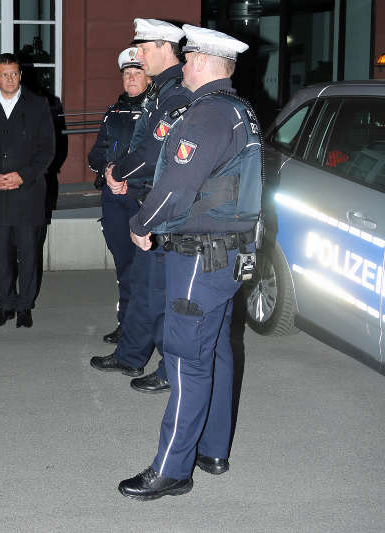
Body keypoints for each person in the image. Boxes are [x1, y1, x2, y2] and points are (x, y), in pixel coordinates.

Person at [118, 25, 260, 500]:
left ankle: (172, 469)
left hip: (201, 254)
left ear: (201, 61)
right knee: (216, 349)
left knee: (185, 362)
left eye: (189, 54)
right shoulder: (240, 111)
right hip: (226, 253)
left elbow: (176, 184)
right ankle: (212, 449)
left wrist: (142, 223)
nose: (185, 61)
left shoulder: (207, 116)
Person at [89, 19, 192, 394]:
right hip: (148, 200)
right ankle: (131, 354)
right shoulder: (161, 90)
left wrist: (119, 171)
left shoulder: (176, 93)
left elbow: (155, 151)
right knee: (145, 286)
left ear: (165, 47)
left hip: (166, 204)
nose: (139, 58)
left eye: (144, 50)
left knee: (164, 291)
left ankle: (168, 367)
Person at [0, 53, 55, 328]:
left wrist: (23, 176)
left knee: (29, 253)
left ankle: (25, 306)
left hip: (27, 193)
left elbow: (47, 149)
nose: (10, 79)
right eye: (4, 74)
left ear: (21, 75)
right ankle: (5, 304)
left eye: (14, 74)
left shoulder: (39, 105)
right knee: (1, 253)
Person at [88, 47, 150, 344]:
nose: (132, 79)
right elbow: (96, 154)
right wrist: (109, 172)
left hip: (141, 198)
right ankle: (125, 324)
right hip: (113, 199)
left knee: (145, 269)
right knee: (123, 266)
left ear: (148, 77)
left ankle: (144, 328)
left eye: (137, 73)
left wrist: (127, 179)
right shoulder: (113, 113)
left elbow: (156, 159)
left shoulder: (156, 112)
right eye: (127, 74)